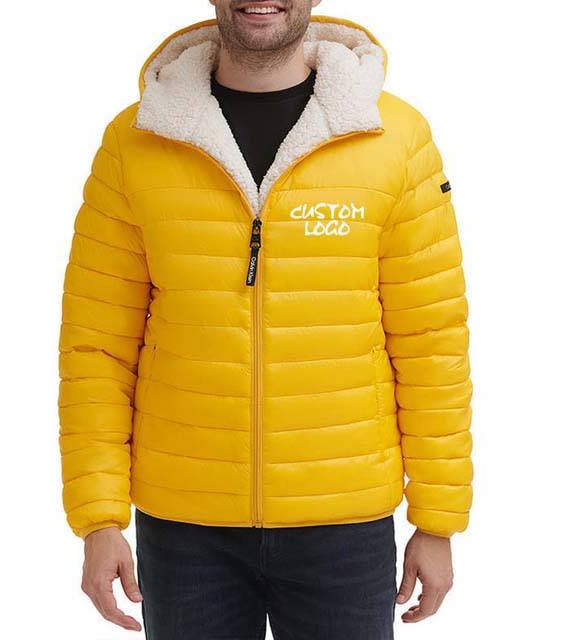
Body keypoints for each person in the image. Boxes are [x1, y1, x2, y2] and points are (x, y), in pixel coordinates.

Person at [57, 2, 474, 638]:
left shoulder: (394, 138)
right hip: (184, 530)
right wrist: (99, 517)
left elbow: (431, 342)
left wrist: (437, 519)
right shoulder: (135, 140)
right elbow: (97, 348)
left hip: (345, 524)